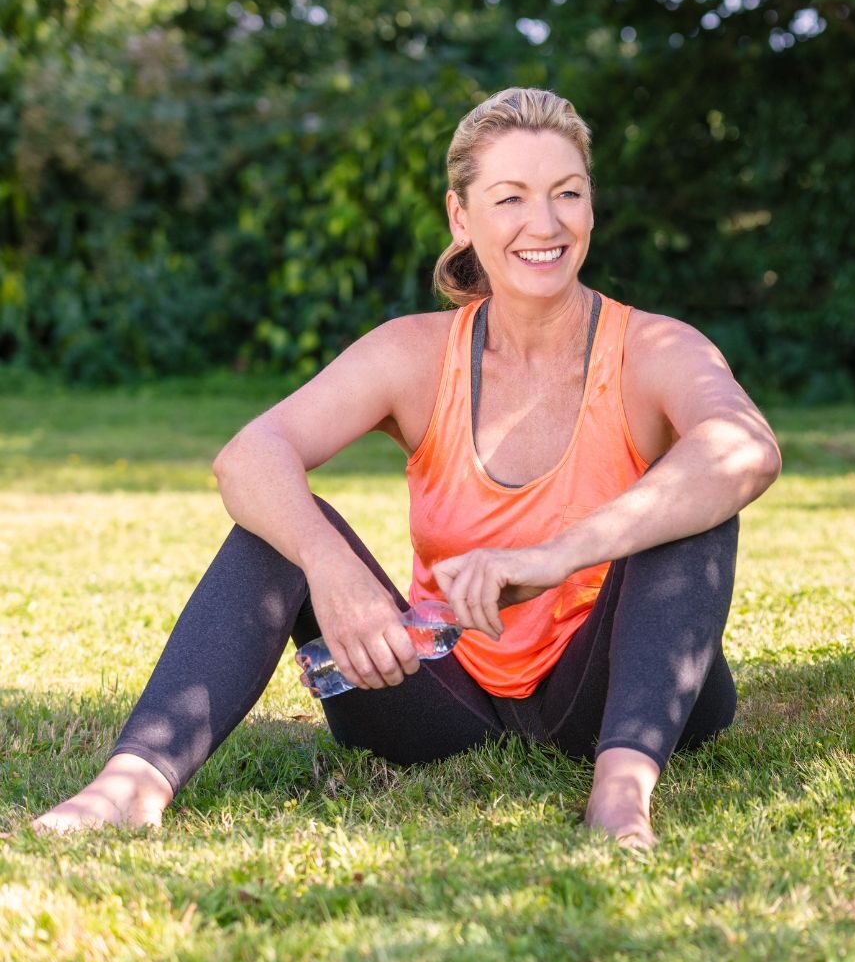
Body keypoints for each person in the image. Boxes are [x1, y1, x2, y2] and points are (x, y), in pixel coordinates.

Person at [32, 87, 781, 848]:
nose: (545, 223)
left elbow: (746, 448)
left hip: (617, 690)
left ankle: (620, 796)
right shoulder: (415, 354)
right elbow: (249, 456)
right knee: (279, 530)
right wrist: (332, 569)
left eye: (567, 193)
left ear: (591, 204)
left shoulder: (653, 347)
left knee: (695, 510)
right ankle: (131, 785)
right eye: (510, 198)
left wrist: (555, 556)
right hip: (437, 696)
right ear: (462, 216)